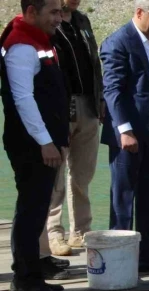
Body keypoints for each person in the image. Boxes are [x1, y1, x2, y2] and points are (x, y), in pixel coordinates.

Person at [100, 0, 149, 274]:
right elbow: (112, 90)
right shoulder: (117, 42)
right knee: (123, 197)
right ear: (139, 12)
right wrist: (124, 130)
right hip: (128, 135)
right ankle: (120, 258)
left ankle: (146, 253)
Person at [0, 0, 69, 291]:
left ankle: (29, 274)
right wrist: (45, 141)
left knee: (36, 207)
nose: (59, 18)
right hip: (31, 144)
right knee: (31, 208)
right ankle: (26, 279)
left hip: (42, 141)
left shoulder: (40, 41)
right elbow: (23, 99)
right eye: (53, 12)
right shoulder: (23, 47)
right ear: (31, 12)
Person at [43, 0, 103, 256]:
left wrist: (100, 98)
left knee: (82, 173)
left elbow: (94, 61)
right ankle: (54, 232)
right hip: (61, 107)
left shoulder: (82, 21)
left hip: (88, 104)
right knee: (56, 175)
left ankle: (80, 231)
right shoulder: (50, 22)